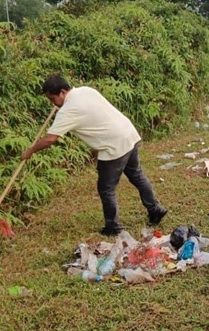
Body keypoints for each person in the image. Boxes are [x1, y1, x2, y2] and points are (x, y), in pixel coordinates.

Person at [21, 75, 168, 236]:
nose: (53, 104)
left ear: (62, 92)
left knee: (106, 189)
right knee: (137, 175)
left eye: (52, 99)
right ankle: (155, 209)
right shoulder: (86, 91)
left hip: (113, 146)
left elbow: (50, 139)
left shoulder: (68, 110)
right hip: (128, 134)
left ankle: (113, 227)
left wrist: (30, 151)